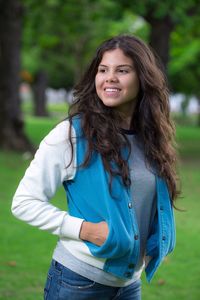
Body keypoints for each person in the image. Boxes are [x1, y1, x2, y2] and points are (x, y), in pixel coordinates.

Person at [12, 35, 180, 300]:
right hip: (78, 283)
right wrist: (85, 230)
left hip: (129, 286)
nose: (110, 78)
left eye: (122, 70)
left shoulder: (151, 137)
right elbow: (23, 202)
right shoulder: (72, 134)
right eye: (103, 70)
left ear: (143, 78)